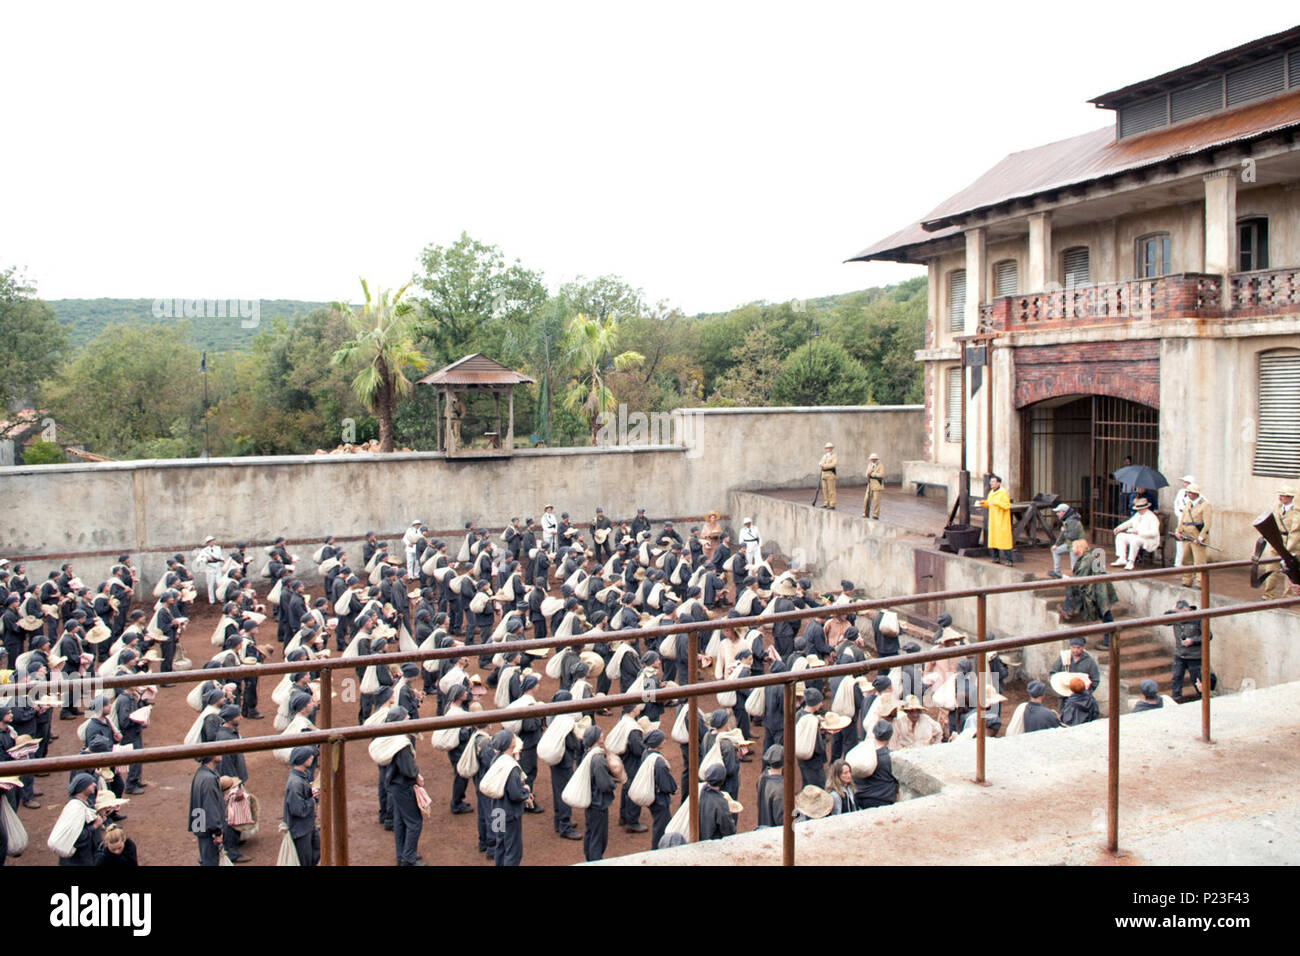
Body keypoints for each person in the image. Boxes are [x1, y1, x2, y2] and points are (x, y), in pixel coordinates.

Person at [1061, 539, 1118, 646]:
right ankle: (1069, 609)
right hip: (1098, 589)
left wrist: (1068, 578)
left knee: (1106, 615)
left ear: (1079, 548)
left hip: (1099, 591)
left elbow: (1080, 577)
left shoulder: (1087, 559)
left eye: (1073, 547)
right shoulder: (1087, 557)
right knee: (1105, 615)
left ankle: (1109, 642)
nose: (1072, 549)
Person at [1261, 486, 1300, 600]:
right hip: (1277, 541)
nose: (1280, 497)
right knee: (1271, 568)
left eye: (1283, 495)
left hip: (1291, 543)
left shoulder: (1296, 512)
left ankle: (1288, 597)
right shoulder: (1276, 508)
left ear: (1290, 497)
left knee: (1291, 570)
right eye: (1280, 495)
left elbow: (1295, 531)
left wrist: (1290, 548)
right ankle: (1268, 594)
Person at [283, 745, 320, 866]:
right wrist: (313, 799)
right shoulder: (295, 783)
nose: (312, 758)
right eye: (309, 756)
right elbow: (298, 809)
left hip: (306, 826)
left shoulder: (300, 777)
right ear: (303, 759)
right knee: (305, 861)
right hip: (300, 830)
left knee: (316, 851)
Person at [188, 753, 225, 866]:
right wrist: (217, 832)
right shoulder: (209, 779)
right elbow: (211, 807)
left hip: (202, 828)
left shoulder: (201, 773)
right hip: (209, 832)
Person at [853, 720, 897, 809]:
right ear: (889, 736)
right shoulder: (890, 757)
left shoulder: (862, 750)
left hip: (859, 798)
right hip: (881, 799)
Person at [1164, 599, 1203, 701]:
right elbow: (1163, 620)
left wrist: (1193, 640)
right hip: (1180, 654)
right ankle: (1176, 698)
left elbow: (1208, 636)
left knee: (1197, 679)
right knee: (1176, 677)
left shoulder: (1198, 619)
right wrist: (1172, 611)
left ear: (1187, 610)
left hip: (1194, 656)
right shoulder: (1176, 617)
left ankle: (1202, 697)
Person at [1176, 483, 1212, 589]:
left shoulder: (1205, 505)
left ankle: (1201, 582)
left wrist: (1201, 537)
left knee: (1199, 561)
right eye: (1188, 492)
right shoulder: (1188, 504)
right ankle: (1187, 580)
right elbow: (1183, 519)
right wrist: (1179, 531)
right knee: (1186, 560)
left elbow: (1207, 523)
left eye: (1192, 493)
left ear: (1196, 494)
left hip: (1197, 536)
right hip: (1187, 535)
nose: (1189, 494)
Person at [1112, 497, 1160, 570]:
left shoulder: (1152, 517)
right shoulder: (1137, 515)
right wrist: (1119, 528)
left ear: (1145, 508)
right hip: (1136, 536)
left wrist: (1139, 532)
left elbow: (1154, 533)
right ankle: (1122, 558)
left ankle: (1131, 561)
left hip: (1148, 539)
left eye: (1140, 509)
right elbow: (1130, 522)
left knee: (1134, 540)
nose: (1138, 511)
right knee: (1120, 536)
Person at [976, 474, 1014, 564]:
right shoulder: (991, 492)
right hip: (994, 520)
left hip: (1001, 520)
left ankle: (1009, 560)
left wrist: (996, 502)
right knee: (994, 539)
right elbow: (990, 504)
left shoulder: (1003, 493)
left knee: (1004, 540)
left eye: (993, 482)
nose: (991, 483)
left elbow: (1006, 505)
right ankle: (995, 557)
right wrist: (983, 503)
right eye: (991, 482)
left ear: (998, 483)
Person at [699, 763, 737, 840]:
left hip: (702, 838)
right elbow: (728, 830)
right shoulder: (720, 803)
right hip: (714, 843)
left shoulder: (701, 791)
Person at [1048, 502, 1084, 578]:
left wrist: (1064, 531)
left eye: (1058, 512)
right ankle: (1057, 572)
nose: (1057, 514)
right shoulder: (1067, 519)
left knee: (1074, 567)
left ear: (1063, 512)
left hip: (1077, 546)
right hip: (1070, 544)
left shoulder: (1072, 521)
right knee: (1055, 550)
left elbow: (1072, 536)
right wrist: (1056, 544)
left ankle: (1078, 581)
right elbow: (1062, 536)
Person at [754, 745, 784, 829]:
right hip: (773, 833)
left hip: (763, 823)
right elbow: (781, 820)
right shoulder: (780, 789)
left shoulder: (763, 776)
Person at [1171, 475, 1197, 568]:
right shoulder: (1180, 492)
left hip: (1189, 519)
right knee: (1179, 539)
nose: (1184, 484)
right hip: (1180, 516)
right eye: (1184, 482)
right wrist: (1178, 514)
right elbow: (1176, 504)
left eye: (1186, 482)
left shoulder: (1196, 495)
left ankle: (1188, 563)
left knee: (1188, 540)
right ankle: (1178, 563)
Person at [196, 536, 223, 604]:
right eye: (209, 541)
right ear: (207, 543)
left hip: (217, 567)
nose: (211, 542)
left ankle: (221, 599)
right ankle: (212, 601)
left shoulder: (218, 548)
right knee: (210, 585)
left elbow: (219, 556)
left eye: (212, 541)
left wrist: (222, 560)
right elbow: (198, 559)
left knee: (219, 583)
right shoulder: (204, 550)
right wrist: (205, 559)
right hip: (210, 569)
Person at [863, 452, 884, 519]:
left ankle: (875, 514)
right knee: (866, 499)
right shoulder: (870, 465)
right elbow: (866, 474)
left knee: (876, 501)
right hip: (870, 485)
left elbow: (881, 474)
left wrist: (872, 474)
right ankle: (865, 512)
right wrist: (868, 474)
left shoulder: (880, 465)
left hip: (877, 485)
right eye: (872, 459)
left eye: (874, 459)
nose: (873, 460)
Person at [818, 443, 838, 509]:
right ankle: (826, 502)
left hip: (830, 473)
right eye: (827, 448)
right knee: (825, 489)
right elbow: (820, 462)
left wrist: (824, 465)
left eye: (830, 448)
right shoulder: (824, 456)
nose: (828, 449)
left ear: (832, 448)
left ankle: (832, 503)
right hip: (824, 474)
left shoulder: (834, 456)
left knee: (831, 489)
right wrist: (821, 464)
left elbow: (833, 464)